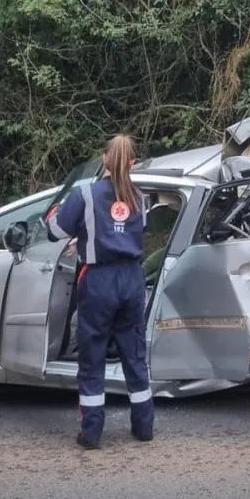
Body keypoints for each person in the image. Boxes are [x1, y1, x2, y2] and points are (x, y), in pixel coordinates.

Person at [46, 133, 154, 449]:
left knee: (92, 357)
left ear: (104, 157)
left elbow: (54, 231)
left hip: (99, 280)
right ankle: (144, 427)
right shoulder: (139, 197)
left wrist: (61, 217)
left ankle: (91, 433)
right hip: (132, 279)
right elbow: (132, 233)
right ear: (133, 162)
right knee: (134, 353)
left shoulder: (84, 194)